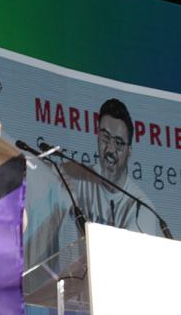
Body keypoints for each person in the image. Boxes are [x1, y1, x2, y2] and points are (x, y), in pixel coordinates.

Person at [68, 98, 163, 236]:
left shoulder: (141, 209)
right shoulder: (78, 177)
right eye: (105, 137)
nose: (110, 149)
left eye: (118, 143)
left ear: (129, 151)